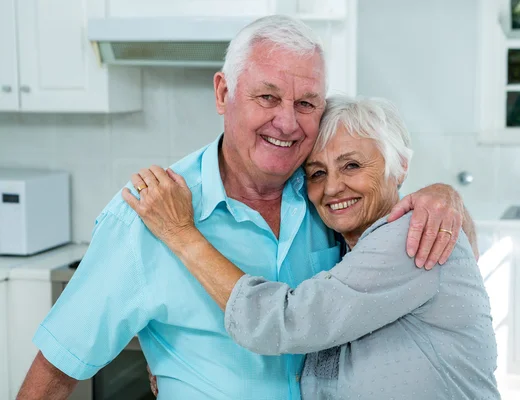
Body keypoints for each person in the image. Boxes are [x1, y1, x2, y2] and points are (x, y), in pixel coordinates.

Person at [17, 15, 477, 400]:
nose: (287, 122)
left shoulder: (329, 198)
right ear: (222, 93)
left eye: (306, 103)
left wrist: (446, 197)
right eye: (267, 97)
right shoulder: (148, 217)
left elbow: (446, 263)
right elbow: (56, 372)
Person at [126, 95, 499, 399]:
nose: (332, 187)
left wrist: (179, 232)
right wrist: (175, 347)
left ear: (400, 166)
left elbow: (283, 322)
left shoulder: (409, 238)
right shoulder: (343, 249)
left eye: (351, 165)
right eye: (317, 173)